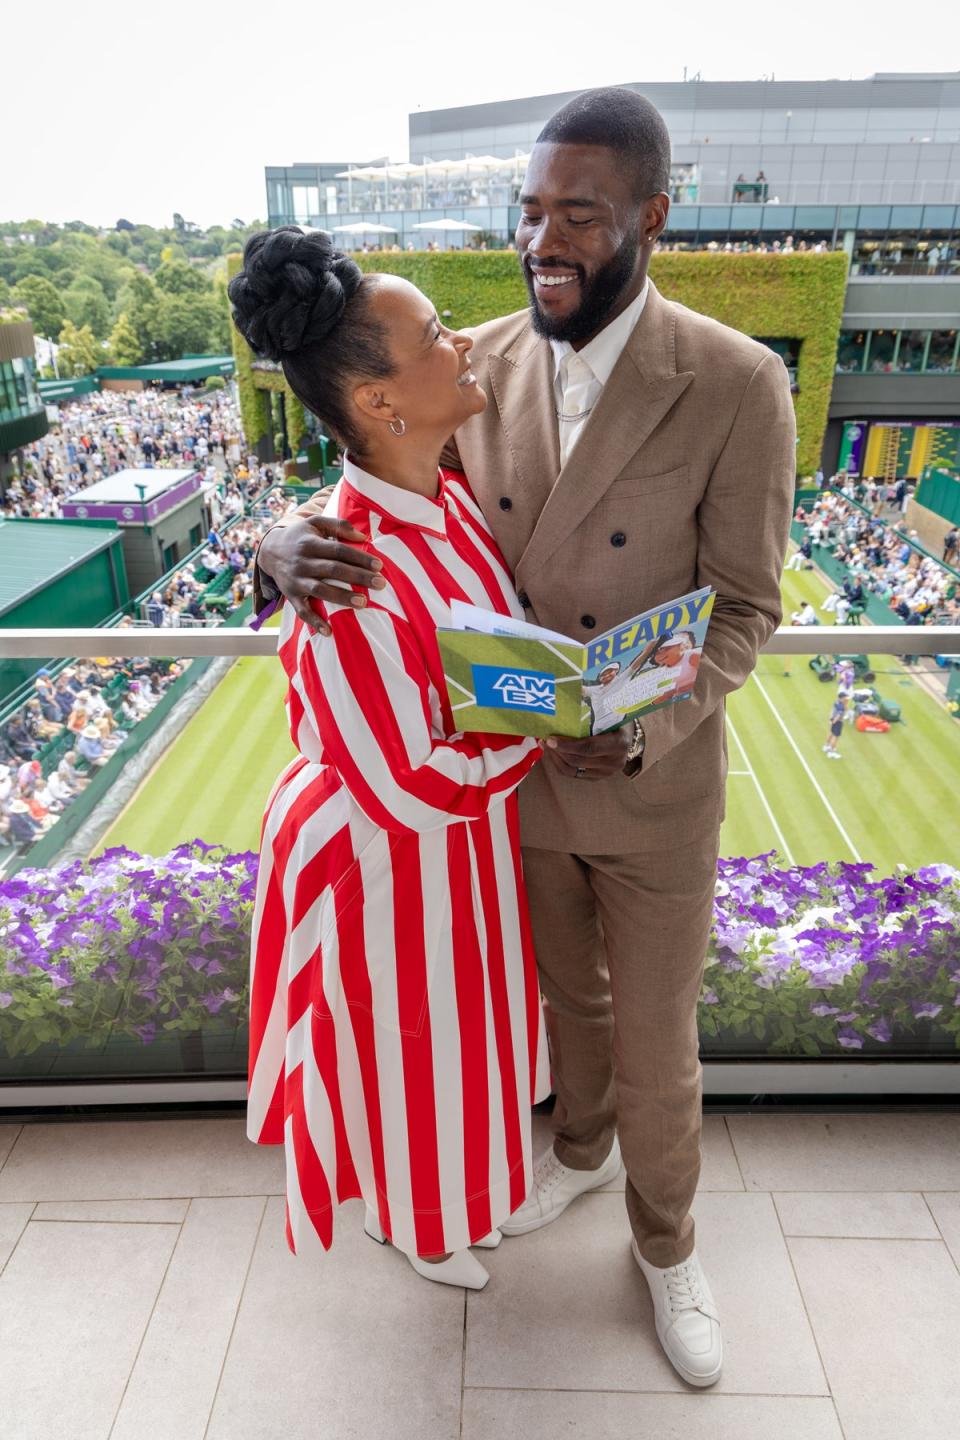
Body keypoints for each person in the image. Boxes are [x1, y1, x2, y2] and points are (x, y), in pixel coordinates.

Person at [251, 88, 796, 1388]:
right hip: (517, 806)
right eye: (532, 209)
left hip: (648, 783)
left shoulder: (737, 381)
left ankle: (669, 1251)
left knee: (661, 1040)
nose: (544, 240)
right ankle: (576, 1156)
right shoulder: (470, 359)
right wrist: (265, 549)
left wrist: (649, 728)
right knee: (567, 1012)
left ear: (654, 216)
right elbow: (362, 474)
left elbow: (751, 611)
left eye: (582, 215)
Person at [229, 227, 549, 1293]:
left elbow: (478, 676)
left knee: (466, 1041)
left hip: (457, 846)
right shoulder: (349, 568)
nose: (463, 344)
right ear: (377, 402)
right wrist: (554, 726)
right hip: (392, 858)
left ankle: (455, 1206)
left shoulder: (445, 493)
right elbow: (409, 780)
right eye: (432, 336)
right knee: (409, 1051)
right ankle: (413, 1223)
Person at [823, 694, 847, 759]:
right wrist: (834, 722)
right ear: (841, 698)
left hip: (833, 720)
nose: (845, 699)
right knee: (835, 737)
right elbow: (838, 716)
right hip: (838, 722)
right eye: (844, 698)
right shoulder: (841, 706)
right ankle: (832, 752)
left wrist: (831, 720)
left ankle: (826, 746)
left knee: (831, 733)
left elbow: (832, 712)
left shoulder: (836, 702)